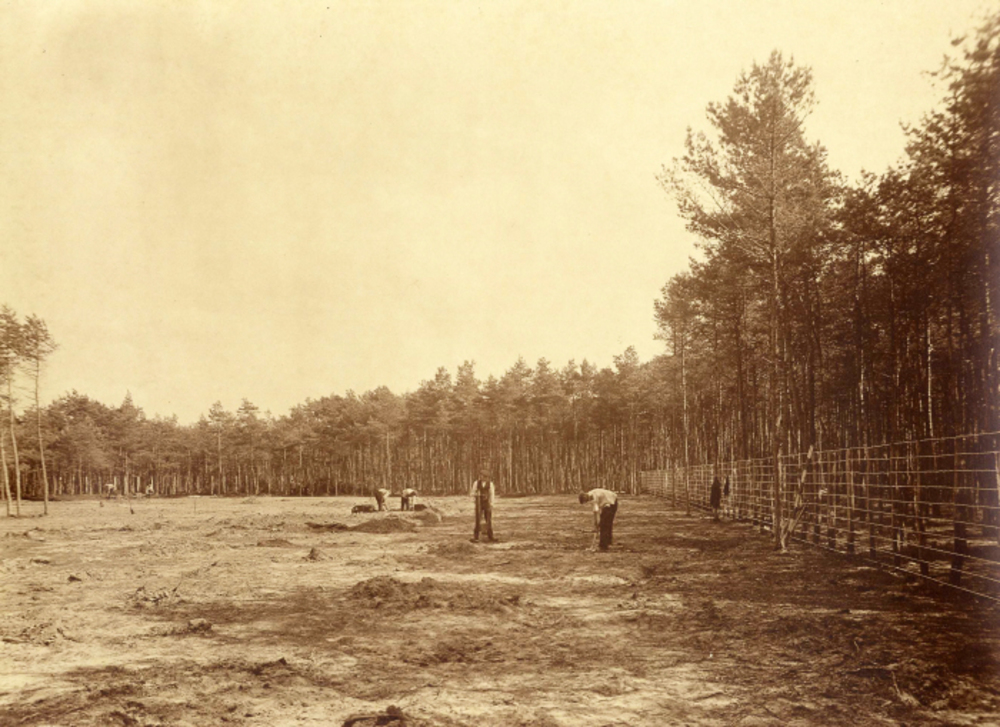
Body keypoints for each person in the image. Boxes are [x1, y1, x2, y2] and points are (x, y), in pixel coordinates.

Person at [470, 471, 495, 542]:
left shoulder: (490, 484)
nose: (482, 477)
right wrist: (475, 499)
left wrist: (491, 503)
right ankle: (476, 537)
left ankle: (490, 536)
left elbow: (492, 494)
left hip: (487, 503)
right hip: (479, 503)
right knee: (478, 519)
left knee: (488, 519)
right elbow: (472, 492)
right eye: (481, 476)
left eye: (484, 476)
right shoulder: (476, 483)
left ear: (486, 477)